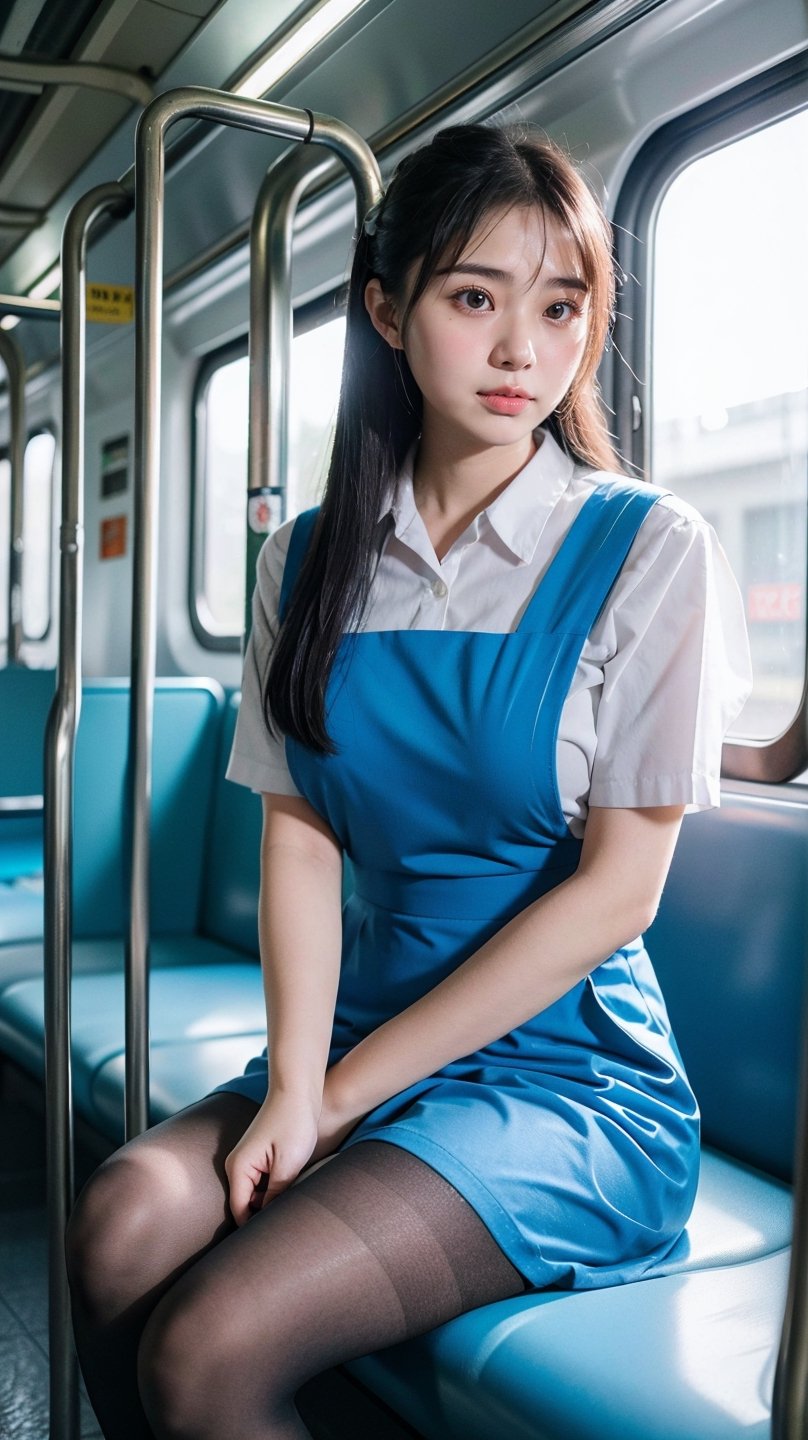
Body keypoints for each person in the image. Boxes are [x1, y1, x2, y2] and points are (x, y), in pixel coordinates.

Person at [66, 122, 752, 1440]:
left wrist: (340, 1095)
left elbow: (615, 900)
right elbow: (303, 839)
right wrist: (296, 1084)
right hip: (355, 1032)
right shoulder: (309, 560)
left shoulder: (647, 548)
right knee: (118, 1223)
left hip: (569, 1081)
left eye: (562, 308)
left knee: (208, 1349)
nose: (522, 353)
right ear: (387, 310)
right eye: (473, 298)